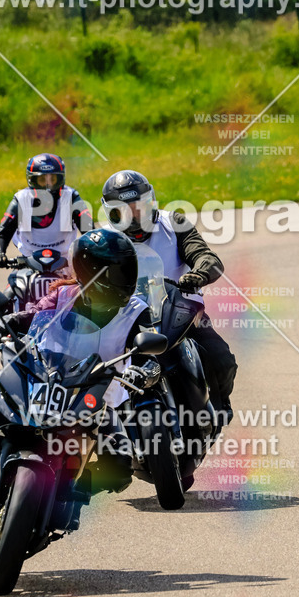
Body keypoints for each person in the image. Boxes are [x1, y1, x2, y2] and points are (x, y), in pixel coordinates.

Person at [0, 228, 156, 506]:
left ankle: (68, 491)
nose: (124, 279)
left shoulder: (138, 310)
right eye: (115, 272)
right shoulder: (63, 295)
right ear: (88, 271)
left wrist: (145, 370)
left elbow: (150, 353)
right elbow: (31, 315)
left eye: (126, 270)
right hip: (40, 377)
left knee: (120, 469)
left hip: (93, 397)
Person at [101, 169, 236, 419]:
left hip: (181, 312)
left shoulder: (174, 223)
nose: (135, 215)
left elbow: (207, 257)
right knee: (91, 371)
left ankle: (219, 405)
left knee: (222, 359)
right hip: (126, 320)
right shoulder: (103, 239)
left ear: (151, 202)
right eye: (126, 210)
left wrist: (198, 274)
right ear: (112, 212)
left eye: (139, 206)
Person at [0, 153, 92, 268]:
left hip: (65, 265)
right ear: (32, 180)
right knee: (13, 286)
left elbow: (91, 232)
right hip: (28, 265)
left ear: (60, 179)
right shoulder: (21, 199)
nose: (48, 185)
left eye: (52, 179)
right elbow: (1, 235)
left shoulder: (71, 197)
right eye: (42, 180)